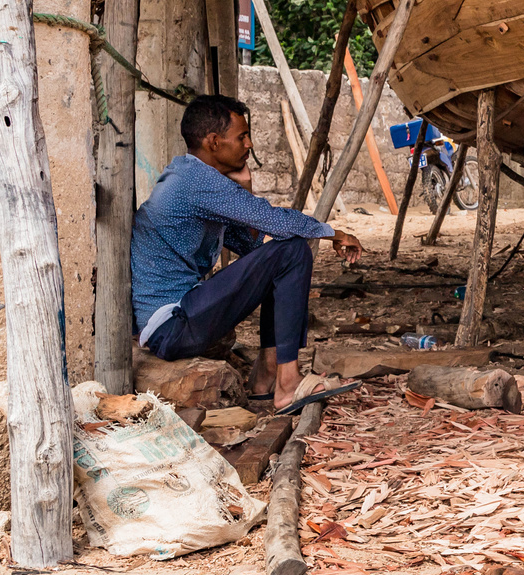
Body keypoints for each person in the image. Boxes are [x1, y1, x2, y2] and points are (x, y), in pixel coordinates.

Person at [132, 94, 364, 414]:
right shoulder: (193, 180)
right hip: (172, 325)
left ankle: (265, 380)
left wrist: (245, 190)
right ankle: (286, 383)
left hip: (181, 319)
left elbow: (253, 248)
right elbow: (272, 221)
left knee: (286, 253)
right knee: (293, 250)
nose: (250, 144)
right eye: (241, 136)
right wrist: (334, 233)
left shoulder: (194, 177)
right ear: (214, 141)